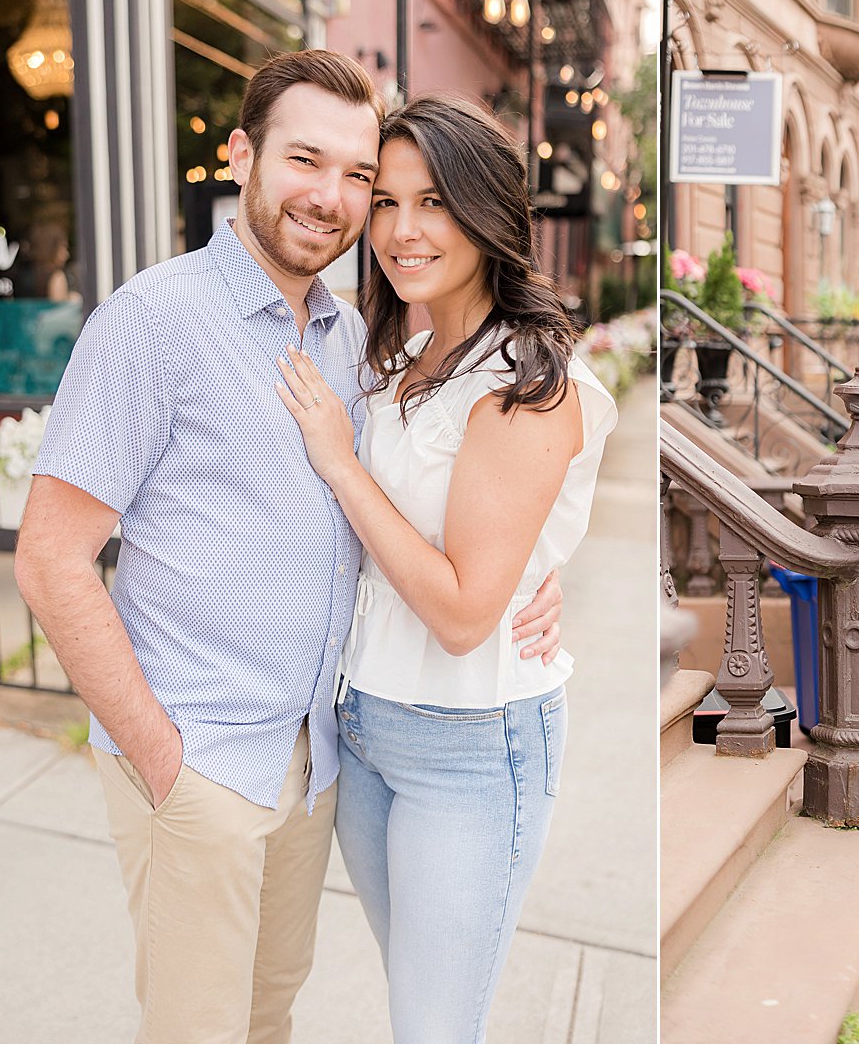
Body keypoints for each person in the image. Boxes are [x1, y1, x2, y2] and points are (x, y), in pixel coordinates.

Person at [13, 51, 562, 1043]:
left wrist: (528, 562)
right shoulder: (153, 321)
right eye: (306, 160)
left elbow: (433, 492)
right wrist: (163, 757)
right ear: (239, 155)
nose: (333, 198)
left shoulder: (351, 334)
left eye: (358, 176)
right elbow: (52, 559)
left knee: (268, 1016)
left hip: (313, 763)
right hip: (200, 763)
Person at [274, 95, 617, 1044]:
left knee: (433, 1028)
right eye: (384, 201)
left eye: (432, 201)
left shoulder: (529, 382)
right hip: (365, 729)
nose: (401, 229)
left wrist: (340, 459)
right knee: (427, 1007)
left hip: (470, 747)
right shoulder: (409, 357)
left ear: (488, 212)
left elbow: (466, 611)